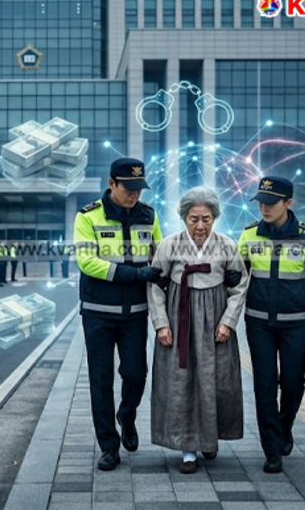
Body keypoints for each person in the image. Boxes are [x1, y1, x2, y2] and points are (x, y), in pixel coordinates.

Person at [147, 187, 248, 473]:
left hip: (215, 322)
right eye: (194, 218)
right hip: (180, 321)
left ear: (215, 217)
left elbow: (239, 285)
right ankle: (188, 449)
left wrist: (228, 321)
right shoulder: (168, 245)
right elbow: (155, 286)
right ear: (184, 218)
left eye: (206, 218)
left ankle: (209, 439)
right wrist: (161, 325)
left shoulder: (227, 245)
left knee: (215, 381)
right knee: (182, 383)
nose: (200, 225)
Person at [237, 176, 305, 474]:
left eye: (271, 203)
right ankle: (272, 449)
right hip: (258, 323)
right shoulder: (249, 235)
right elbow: (236, 277)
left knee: (293, 383)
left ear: (288, 203)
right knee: (264, 384)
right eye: (261, 203)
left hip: (296, 324)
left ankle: (284, 426)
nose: (264, 209)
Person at [74, 157, 163, 472]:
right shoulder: (87, 216)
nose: (134, 195)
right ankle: (109, 446)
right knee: (101, 381)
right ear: (112, 184)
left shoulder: (149, 215)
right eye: (129, 188)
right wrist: (135, 275)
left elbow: (160, 254)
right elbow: (87, 262)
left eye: (139, 188)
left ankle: (127, 415)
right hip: (98, 314)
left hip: (135, 314)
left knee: (136, 373)